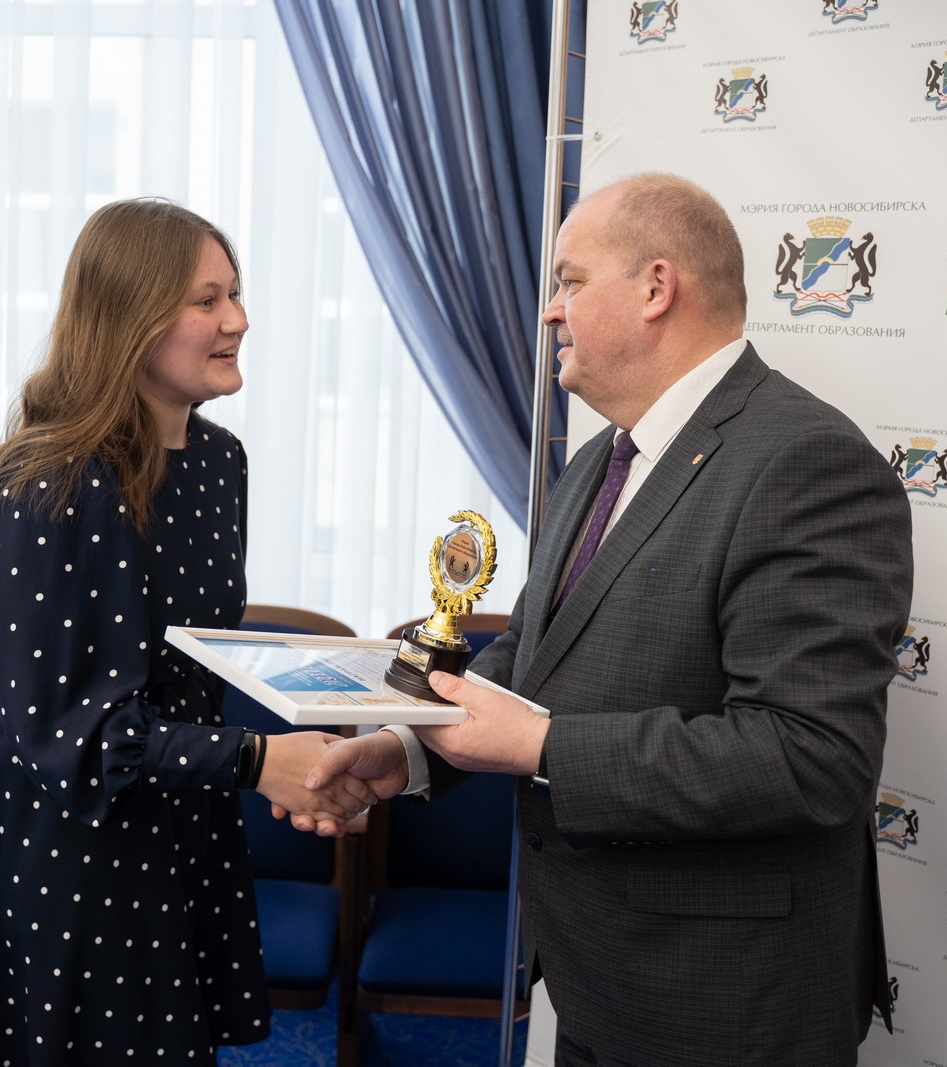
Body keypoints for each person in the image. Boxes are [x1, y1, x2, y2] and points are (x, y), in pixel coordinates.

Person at [292, 173, 913, 1066]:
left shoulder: (807, 461)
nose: (551, 310)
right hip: (597, 978)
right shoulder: (598, 459)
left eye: (571, 281)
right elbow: (531, 656)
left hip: (727, 1008)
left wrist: (541, 746)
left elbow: (810, 756)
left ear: (657, 288)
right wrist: (409, 749)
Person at [0, 198, 373, 1066]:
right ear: (129, 320)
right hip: (70, 835)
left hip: (178, 808)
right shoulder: (48, 483)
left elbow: (189, 665)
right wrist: (261, 761)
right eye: (206, 300)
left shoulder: (219, 461)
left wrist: (317, 746)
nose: (237, 319)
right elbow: (70, 732)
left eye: (235, 293)